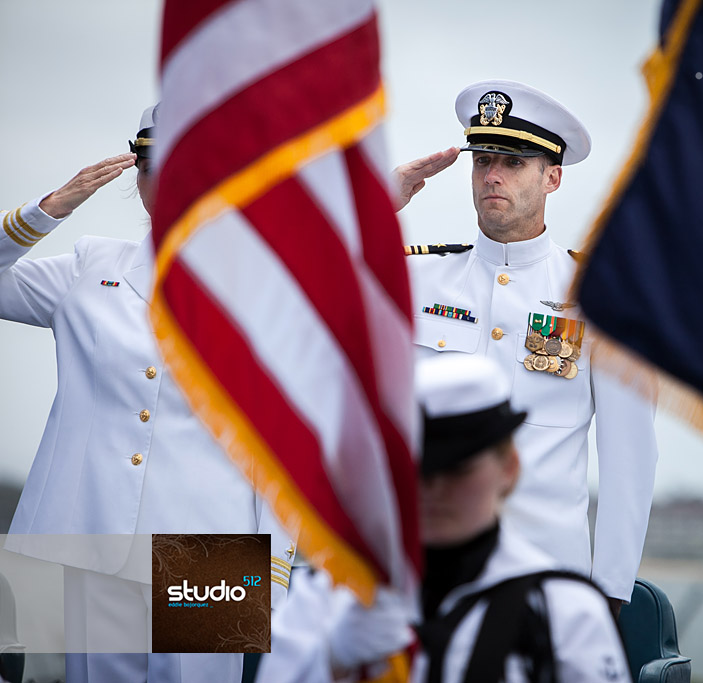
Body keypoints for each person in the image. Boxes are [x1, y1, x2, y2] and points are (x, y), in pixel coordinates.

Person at [0, 107, 294, 682]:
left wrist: (274, 568)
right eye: (151, 165)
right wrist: (46, 211)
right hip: (98, 544)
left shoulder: (270, 290)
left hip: (211, 553)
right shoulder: (91, 268)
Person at [395, 80, 659, 613]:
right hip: (428, 577)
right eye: (483, 160)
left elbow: (629, 459)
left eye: (513, 162)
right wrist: (381, 200)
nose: (492, 175)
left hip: (545, 586)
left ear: (552, 177)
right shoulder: (418, 280)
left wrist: (608, 593)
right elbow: (310, 296)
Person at [256, 353, 629, 683]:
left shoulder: (564, 611)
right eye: (418, 471)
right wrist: (329, 663)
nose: (433, 490)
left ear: (509, 468)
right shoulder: (327, 599)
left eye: (457, 471)